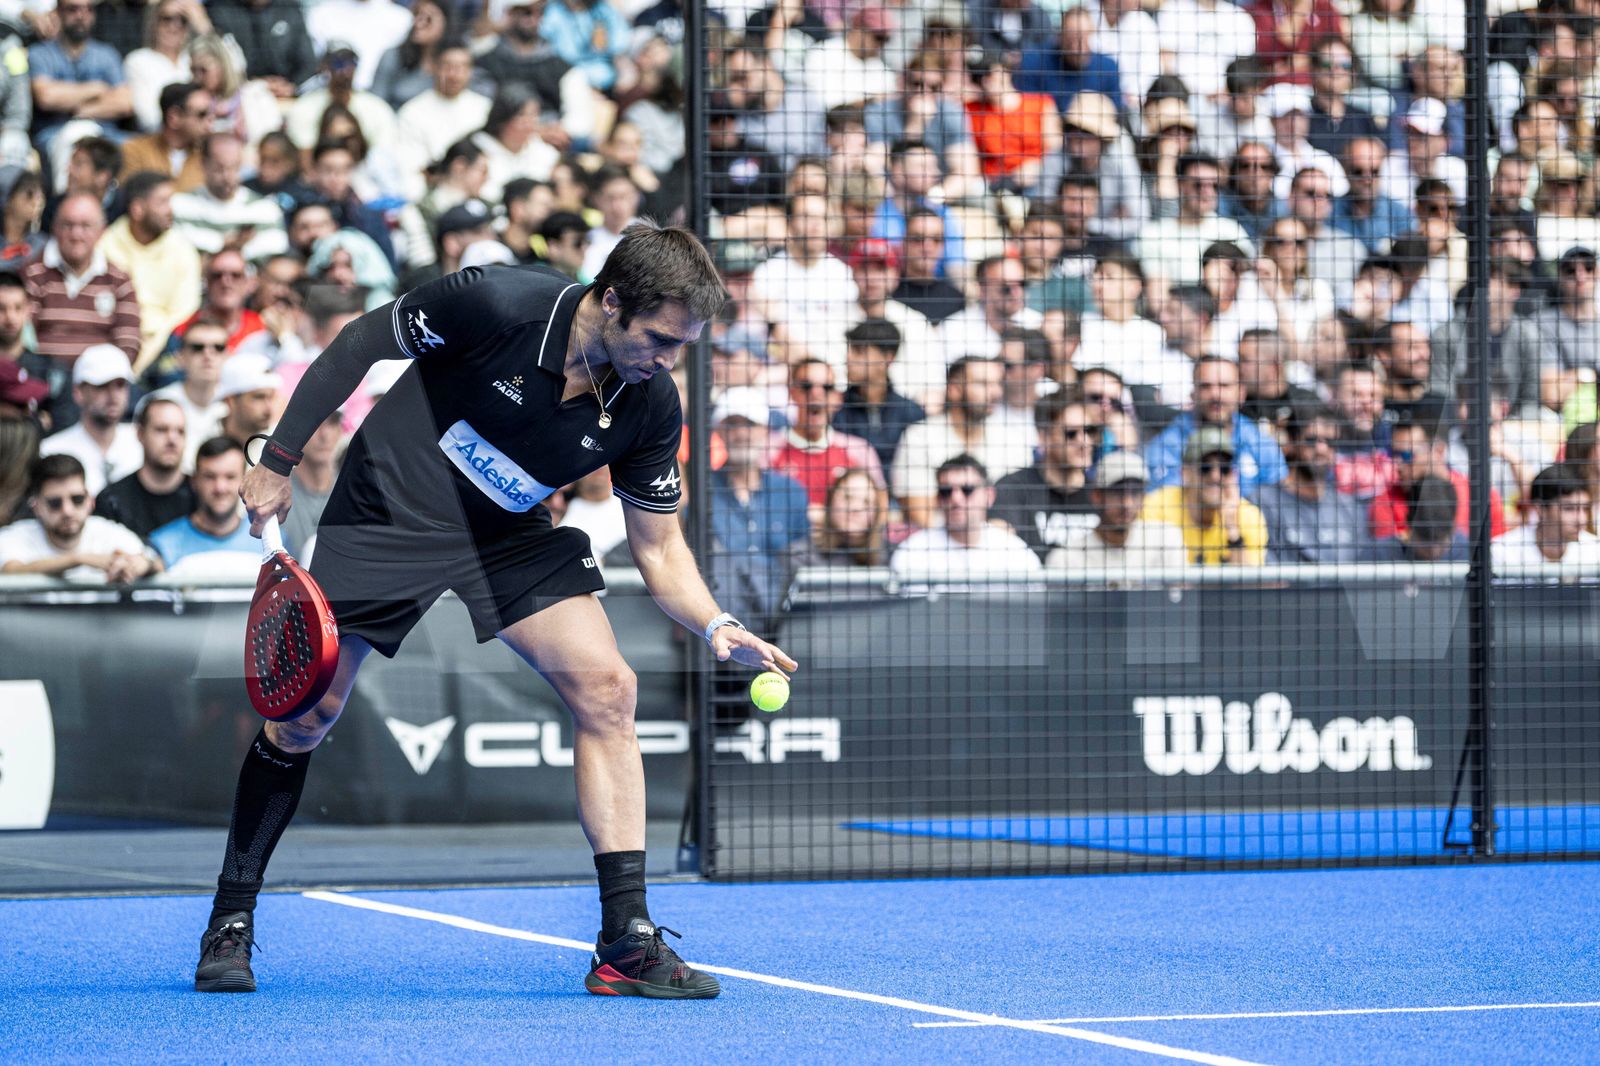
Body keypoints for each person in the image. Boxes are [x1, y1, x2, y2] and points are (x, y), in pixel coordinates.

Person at [202, 222, 792, 1000]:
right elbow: (356, 344)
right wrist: (277, 460)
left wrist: (716, 624)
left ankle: (626, 942)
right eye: (658, 338)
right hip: (390, 510)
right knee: (305, 718)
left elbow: (659, 549)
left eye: (683, 345)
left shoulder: (651, 402)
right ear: (610, 301)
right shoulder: (497, 303)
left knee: (609, 690)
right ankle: (231, 918)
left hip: (505, 532)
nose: (668, 360)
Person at [892, 356, 1034, 529]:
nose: (996, 392)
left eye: (998, 383)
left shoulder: (1012, 440)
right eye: (983, 384)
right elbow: (921, 514)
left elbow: (1018, 509)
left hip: (999, 546)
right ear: (954, 389)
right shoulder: (919, 437)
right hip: (938, 546)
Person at [98, 172, 203, 372]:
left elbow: (185, 311)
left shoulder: (182, 249)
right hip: (113, 340)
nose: (170, 210)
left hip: (166, 345)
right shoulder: (106, 245)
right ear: (137, 209)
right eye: (162, 202)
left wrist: (151, 347)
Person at [23, 194, 143, 369]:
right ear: (54, 228)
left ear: (102, 231)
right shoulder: (32, 274)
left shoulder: (119, 281)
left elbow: (129, 343)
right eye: (68, 225)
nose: (76, 234)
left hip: (100, 384)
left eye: (86, 226)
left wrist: (100, 380)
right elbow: (22, 337)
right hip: (44, 381)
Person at [0, 453, 161, 582]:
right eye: (55, 503)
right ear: (36, 507)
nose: (68, 511)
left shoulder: (107, 531)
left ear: (90, 500)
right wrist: (78, 559)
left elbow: (156, 563)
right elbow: (11, 571)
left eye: (77, 499)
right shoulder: (16, 536)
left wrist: (141, 565)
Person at [1145, 356, 1289, 496]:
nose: (1215, 394)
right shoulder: (1166, 445)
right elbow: (1161, 502)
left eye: (1224, 386)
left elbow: (1280, 500)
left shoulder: (1260, 443)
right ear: (1193, 394)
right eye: (1205, 386)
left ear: (1241, 394)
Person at [890, 454, 1043, 583]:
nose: (956, 499)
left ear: (989, 496)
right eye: (946, 491)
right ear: (937, 499)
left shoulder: (1016, 554)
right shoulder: (912, 553)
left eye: (967, 490)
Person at [1255, 405, 1372, 563]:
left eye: (1330, 442)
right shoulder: (1262, 502)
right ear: (1293, 442)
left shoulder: (1350, 508)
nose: (1321, 449)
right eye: (1311, 440)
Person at [992, 392, 1099, 560]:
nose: (1084, 442)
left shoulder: (1102, 493)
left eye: (1090, 431)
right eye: (1071, 433)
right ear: (1044, 438)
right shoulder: (1013, 489)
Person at [1370, 408, 1505, 540]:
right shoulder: (1384, 504)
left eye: (1406, 455)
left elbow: (1498, 554)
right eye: (1392, 455)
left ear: (1438, 451)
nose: (1397, 465)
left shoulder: (1482, 497)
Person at [1142, 425, 1269, 566]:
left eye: (1224, 469)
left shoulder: (1248, 516)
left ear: (1233, 475)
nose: (1215, 476)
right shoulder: (1157, 506)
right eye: (1205, 468)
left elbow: (1251, 585)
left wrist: (1233, 531)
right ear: (1185, 473)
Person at [771, 358, 883, 515]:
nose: (816, 394)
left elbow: (879, 509)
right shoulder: (769, 450)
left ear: (838, 398)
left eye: (827, 387)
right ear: (792, 392)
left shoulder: (859, 451)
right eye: (806, 386)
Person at [1046, 450, 1185, 578]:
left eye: (1135, 492)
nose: (1127, 503)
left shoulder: (1166, 540)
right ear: (1097, 495)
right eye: (1117, 492)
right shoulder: (1066, 559)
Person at [39, 345, 142, 497]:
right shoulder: (51, 451)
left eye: (120, 385)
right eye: (102, 386)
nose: (113, 396)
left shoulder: (142, 443)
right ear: (78, 392)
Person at [148, 435, 260, 566]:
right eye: (210, 477)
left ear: (245, 481)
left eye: (230, 477)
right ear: (194, 481)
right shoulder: (163, 545)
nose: (220, 488)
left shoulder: (270, 540)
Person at [96, 394, 196, 538]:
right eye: (162, 430)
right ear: (140, 434)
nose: (172, 439)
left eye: (180, 431)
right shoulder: (112, 500)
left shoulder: (203, 495)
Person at [832, 318, 924, 474]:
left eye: (859, 351)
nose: (848, 358)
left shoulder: (911, 412)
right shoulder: (836, 409)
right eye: (849, 349)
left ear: (888, 358)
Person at [1493, 463, 1600, 572]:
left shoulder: (1595, 552)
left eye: (1585, 508)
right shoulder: (1502, 552)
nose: (1581, 520)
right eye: (1569, 508)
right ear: (1540, 509)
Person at [118, 82, 212, 192]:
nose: (209, 123)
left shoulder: (209, 157)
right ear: (174, 117)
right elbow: (130, 198)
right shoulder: (134, 151)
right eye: (202, 114)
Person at [1367, 475, 1469, 561]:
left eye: (1440, 543)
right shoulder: (1379, 555)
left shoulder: (1471, 554)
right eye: (1425, 542)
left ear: (1453, 529)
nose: (1434, 551)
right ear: (1409, 527)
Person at [812, 467, 890, 567]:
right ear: (830, 501)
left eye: (867, 502)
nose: (856, 508)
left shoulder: (891, 558)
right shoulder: (800, 557)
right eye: (848, 497)